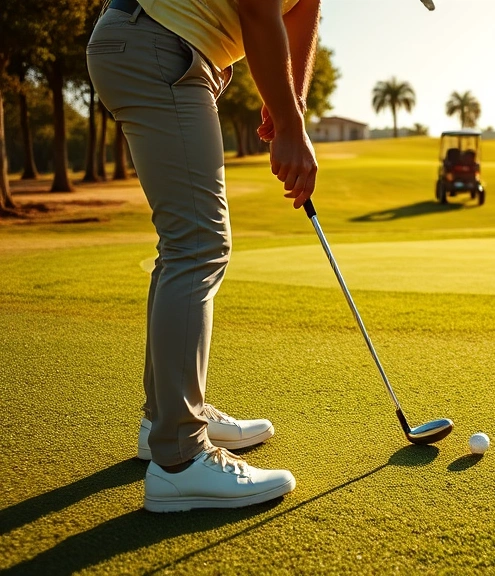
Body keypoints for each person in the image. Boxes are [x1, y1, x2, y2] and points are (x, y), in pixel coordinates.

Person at [87, 0, 319, 512]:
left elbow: (299, 14)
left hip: (167, 50)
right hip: (157, 44)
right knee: (198, 244)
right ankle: (180, 460)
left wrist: (291, 104)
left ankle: (164, 422)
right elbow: (259, 9)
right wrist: (288, 125)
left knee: (186, 245)